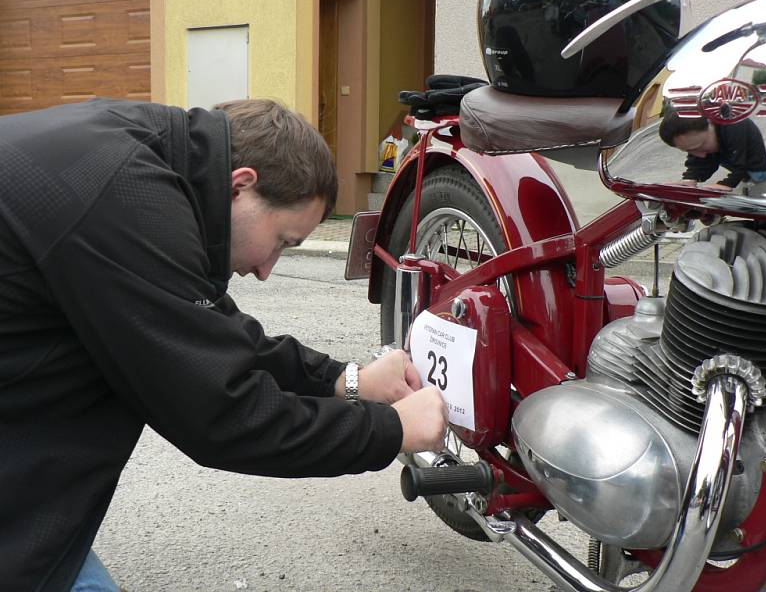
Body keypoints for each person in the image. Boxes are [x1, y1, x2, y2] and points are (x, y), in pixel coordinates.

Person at [0, 97, 449, 591]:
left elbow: (202, 326)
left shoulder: (146, 158)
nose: (265, 270)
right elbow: (222, 415)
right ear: (242, 185)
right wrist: (390, 429)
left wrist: (347, 381)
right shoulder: (125, 201)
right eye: (283, 241)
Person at [658, 110, 766, 191]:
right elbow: (698, 161)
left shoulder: (736, 126)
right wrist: (690, 178)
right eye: (689, 150)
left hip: (749, 155)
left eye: (701, 145)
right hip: (731, 155)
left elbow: (744, 163)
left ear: (711, 123)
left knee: (758, 176)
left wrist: (728, 184)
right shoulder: (704, 137)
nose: (701, 155)